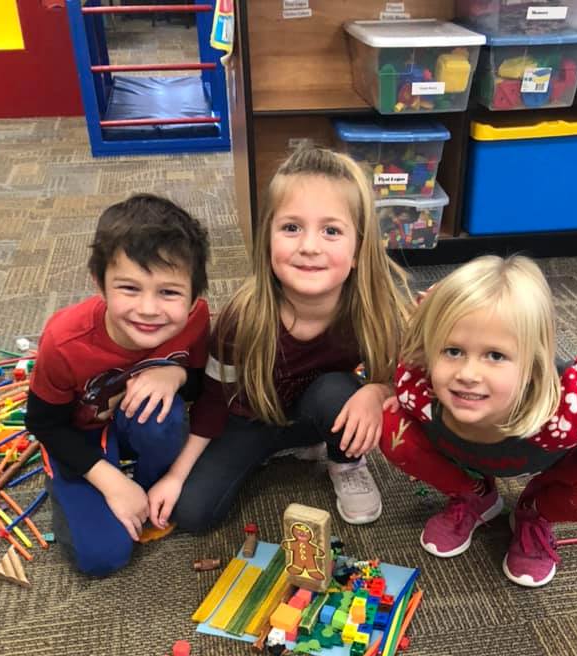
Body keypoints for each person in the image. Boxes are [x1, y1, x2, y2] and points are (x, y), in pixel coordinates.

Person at [148, 147, 412, 532]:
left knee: (341, 392)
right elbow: (212, 401)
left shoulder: (373, 308)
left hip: (317, 409)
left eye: (332, 231)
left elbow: (401, 379)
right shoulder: (242, 317)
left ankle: (344, 460)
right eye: (291, 228)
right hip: (249, 420)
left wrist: (376, 391)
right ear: (267, 238)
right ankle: (280, 448)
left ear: (358, 248)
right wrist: (175, 475)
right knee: (192, 513)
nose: (309, 246)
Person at [380, 255, 577, 587]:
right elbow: (417, 331)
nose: (467, 374)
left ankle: (534, 512)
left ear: (534, 364)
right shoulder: (416, 385)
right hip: (470, 455)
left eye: (495, 356)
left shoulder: (568, 410)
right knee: (385, 421)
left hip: (551, 453)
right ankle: (475, 495)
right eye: (452, 351)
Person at [26, 193, 210, 576]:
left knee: (165, 414)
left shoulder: (195, 319)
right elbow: (44, 424)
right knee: (103, 557)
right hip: (78, 436)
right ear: (100, 283)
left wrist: (176, 374)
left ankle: (149, 486)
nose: (148, 309)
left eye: (169, 292)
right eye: (129, 288)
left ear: (194, 296)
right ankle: (81, 489)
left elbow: (199, 386)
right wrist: (112, 483)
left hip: (137, 422)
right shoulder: (64, 340)